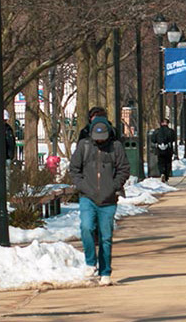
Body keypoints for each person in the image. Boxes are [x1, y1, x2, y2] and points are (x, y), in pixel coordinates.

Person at [69, 114, 130, 286]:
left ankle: (105, 271)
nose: (100, 142)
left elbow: (124, 169)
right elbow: (74, 169)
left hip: (108, 199)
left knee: (106, 236)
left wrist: (113, 185)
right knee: (86, 227)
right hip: (87, 196)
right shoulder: (84, 146)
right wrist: (82, 186)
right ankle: (90, 262)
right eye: (97, 139)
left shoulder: (116, 147)